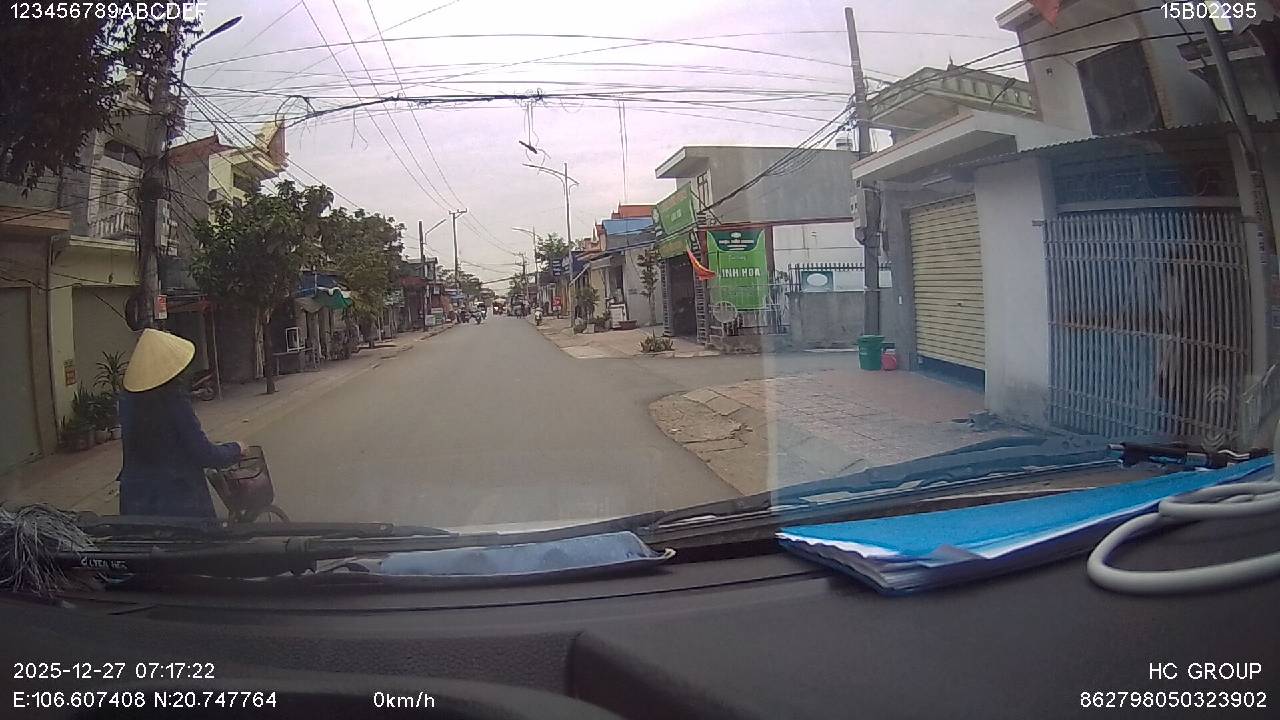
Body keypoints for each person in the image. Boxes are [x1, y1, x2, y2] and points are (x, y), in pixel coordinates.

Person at [117, 328, 247, 517]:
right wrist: (235, 448)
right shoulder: (173, 400)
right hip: (178, 505)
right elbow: (204, 453)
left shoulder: (127, 402)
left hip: (135, 502)